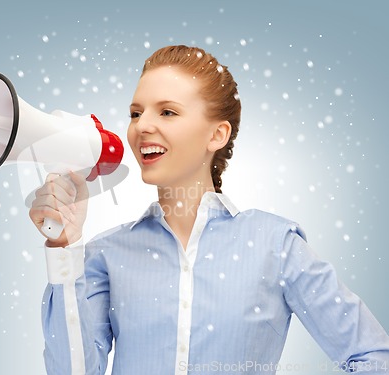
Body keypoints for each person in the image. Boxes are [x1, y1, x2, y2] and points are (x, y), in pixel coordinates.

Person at [29, 45, 389, 375]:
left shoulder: (275, 245)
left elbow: (373, 357)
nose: (142, 126)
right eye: (136, 113)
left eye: (167, 111)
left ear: (217, 135)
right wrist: (64, 247)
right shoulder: (106, 254)